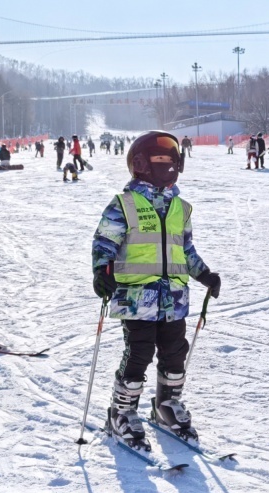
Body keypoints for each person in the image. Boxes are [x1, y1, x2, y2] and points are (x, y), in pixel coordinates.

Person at [91, 131, 221, 449]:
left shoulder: (181, 208)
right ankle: (121, 412)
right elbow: (104, 242)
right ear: (140, 164)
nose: (167, 166)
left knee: (176, 352)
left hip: (173, 297)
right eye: (159, 160)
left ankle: (166, 405)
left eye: (171, 160)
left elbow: (185, 250)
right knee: (139, 352)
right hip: (136, 296)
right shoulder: (124, 204)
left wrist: (203, 273)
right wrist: (101, 270)